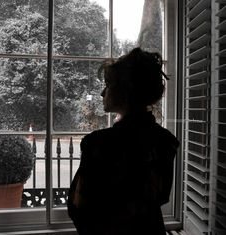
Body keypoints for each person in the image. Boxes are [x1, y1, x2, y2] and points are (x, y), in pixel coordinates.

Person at [67, 47, 179, 235]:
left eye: (108, 85)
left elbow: (79, 207)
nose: (103, 93)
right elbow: (159, 197)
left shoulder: (97, 144)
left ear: (125, 92)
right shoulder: (167, 141)